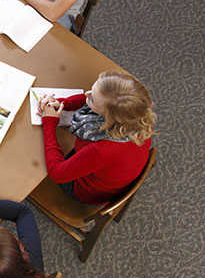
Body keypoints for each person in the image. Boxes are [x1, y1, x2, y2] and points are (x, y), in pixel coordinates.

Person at [37, 70, 155, 205]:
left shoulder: (100, 150)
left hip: (86, 191)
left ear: (109, 117)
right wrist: (62, 103)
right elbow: (97, 98)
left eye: (92, 99)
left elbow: (57, 174)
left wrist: (49, 122)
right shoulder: (139, 110)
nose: (86, 94)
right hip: (109, 173)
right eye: (92, 90)